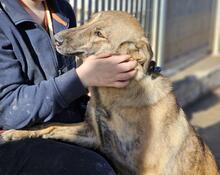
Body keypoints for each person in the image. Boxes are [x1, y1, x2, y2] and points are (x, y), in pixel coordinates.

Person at [0, 0, 137, 174]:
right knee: (95, 170)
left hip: (61, 124)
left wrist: (95, 86)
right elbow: (9, 111)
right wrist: (82, 78)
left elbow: (65, 79)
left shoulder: (61, 9)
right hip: (11, 138)